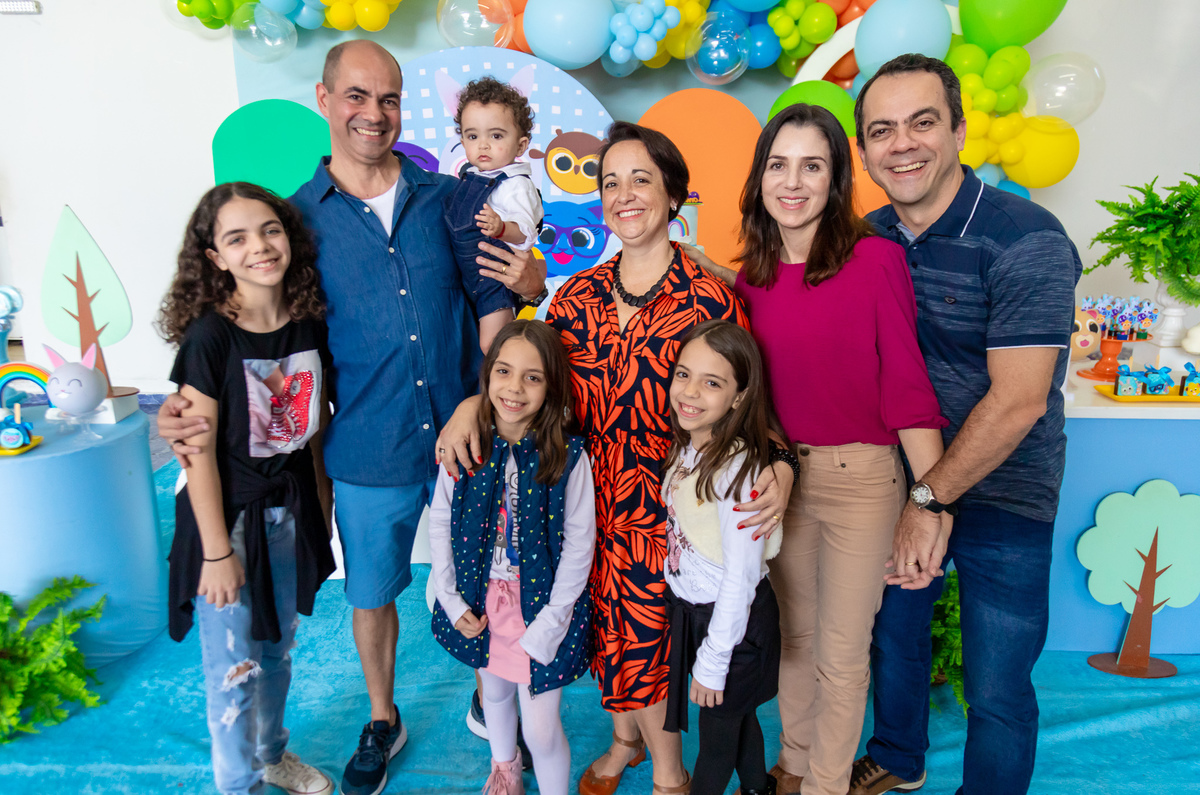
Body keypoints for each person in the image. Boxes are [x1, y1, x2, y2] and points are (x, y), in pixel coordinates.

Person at [156, 40, 547, 795]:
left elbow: (495, 300)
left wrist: (493, 367)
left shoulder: (450, 199)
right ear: (325, 99)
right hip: (368, 445)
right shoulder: (295, 222)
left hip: (469, 433)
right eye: (357, 96)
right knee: (371, 592)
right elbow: (256, 322)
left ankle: (492, 698)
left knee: (494, 574)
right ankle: (381, 716)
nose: (374, 113)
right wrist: (192, 398)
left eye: (389, 98)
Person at [436, 121, 796, 795]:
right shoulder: (576, 296)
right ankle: (626, 740)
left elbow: (747, 406)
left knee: (648, 643)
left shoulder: (710, 299)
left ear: (673, 194)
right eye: (610, 182)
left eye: (641, 179)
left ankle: (668, 775)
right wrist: (470, 404)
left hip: (665, 511)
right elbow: (529, 381)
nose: (623, 194)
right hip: (579, 503)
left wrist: (782, 462)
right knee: (603, 634)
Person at [683, 103, 947, 795]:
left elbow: (909, 390)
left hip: (864, 482)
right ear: (760, 178)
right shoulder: (752, 279)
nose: (793, 182)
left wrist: (932, 505)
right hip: (782, 481)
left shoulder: (876, 260)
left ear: (835, 181)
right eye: (779, 165)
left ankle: (827, 784)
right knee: (795, 640)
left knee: (841, 652)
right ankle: (794, 766)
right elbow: (761, 382)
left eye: (812, 166)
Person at [847, 54, 1082, 795]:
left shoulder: (1026, 239)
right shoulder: (866, 240)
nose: (902, 144)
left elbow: (1019, 401)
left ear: (958, 130)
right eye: (881, 130)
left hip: (1006, 491)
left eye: (922, 122)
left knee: (997, 681)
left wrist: (930, 500)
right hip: (902, 482)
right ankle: (898, 755)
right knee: (894, 639)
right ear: (864, 151)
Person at [158, 182, 337, 795]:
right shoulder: (210, 338)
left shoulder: (309, 325)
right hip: (227, 524)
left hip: (289, 513)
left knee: (278, 649)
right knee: (235, 669)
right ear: (215, 257)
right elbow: (195, 452)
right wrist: (216, 552)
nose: (259, 246)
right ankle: (240, 786)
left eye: (269, 230)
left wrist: (321, 511)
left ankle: (271, 755)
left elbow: (314, 431)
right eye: (237, 238)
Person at [428, 320, 596, 795]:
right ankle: (505, 770)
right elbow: (440, 521)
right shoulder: (466, 444)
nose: (515, 388)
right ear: (487, 376)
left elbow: (580, 545)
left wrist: (552, 621)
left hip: (541, 611)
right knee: (496, 695)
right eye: (503, 371)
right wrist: (451, 599)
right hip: (482, 603)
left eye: (533, 377)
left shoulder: (567, 456)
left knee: (541, 730)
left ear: (552, 386)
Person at [660, 320, 784, 795]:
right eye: (683, 374)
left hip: (734, 627)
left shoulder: (737, 472)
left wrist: (714, 659)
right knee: (738, 719)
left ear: (739, 396)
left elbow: (741, 576)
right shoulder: (689, 447)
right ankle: (758, 788)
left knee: (714, 747)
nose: (690, 392)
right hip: (702, 617)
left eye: (712, 383)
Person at [445, 76, 544, 353]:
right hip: (464, 274)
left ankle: (506, 376)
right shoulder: (468, 178)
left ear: (521, 146)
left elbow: (526, 234)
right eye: (473, 136)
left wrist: (502, 228)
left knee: (493, 344)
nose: (483, 145)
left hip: (493, 278)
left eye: (496, 136)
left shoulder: (516, 185)